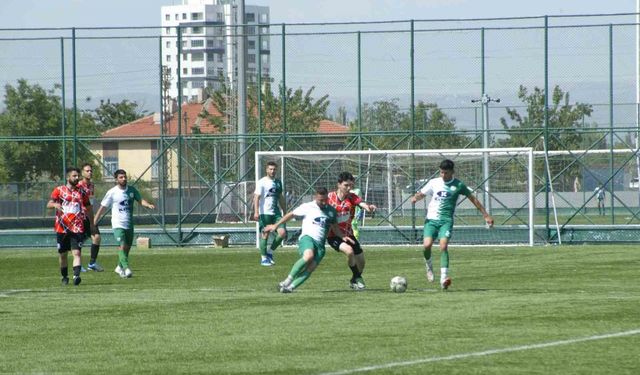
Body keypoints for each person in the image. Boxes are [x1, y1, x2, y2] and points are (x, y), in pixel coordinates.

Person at [411, 159, 493, 290]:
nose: (443, 175)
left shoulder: (459, 185)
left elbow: (473, 199)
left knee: (443, 246)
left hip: (446, 221)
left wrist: (486, 215)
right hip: (431, 220)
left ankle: (444, 278)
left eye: (446, 173)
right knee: (427, 245)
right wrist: (416, 198)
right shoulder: (434, 182)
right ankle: (429, 265)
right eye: (441, 172)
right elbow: (422, 193)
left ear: (452, 172)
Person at [265, 187, 352, 293]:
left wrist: (342, 236)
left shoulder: (331, 211)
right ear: (315, 197)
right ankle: (286, 281)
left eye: (326, 200)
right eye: (321, 200)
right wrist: (276, 225)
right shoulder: (308, 206)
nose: (324, 202)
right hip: (307, 238)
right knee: (308, 256)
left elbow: (335, 227)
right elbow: (291, 214)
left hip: (320, 245)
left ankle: (290, 287)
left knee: (310, 268)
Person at [94, 169, 155, 278]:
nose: (124, 179)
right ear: (116, 179)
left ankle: (118, 267)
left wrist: (148, 204)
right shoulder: (112, 192)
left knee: (127, 247)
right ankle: (126, 269)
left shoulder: (131, 190)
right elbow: (102, 207)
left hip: (129, 224)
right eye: (121, 177)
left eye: (125, 177)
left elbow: (140, 200)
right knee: (122, 245)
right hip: (118, 224)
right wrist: (94, 221)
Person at [327, 172, 376, 290]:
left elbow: (362, 204)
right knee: (349, 251)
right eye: (346, 185)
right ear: (338, 184)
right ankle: (358, 279)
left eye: (351, 185)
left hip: (348, 234)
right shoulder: (329, 198)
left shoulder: (352, 197)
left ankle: (354, 279)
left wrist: (369, 208)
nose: (349, 188)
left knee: (361, 261)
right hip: (333, 235)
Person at [47, 167, 95, 286]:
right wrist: (55, 205)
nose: (77, 178)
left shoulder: (82, 192)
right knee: (63, 255)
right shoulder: (59, 190)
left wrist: (92, 223)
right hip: (62, 227)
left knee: (77, 253)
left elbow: (88, 207)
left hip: (77, 227)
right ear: (68, 177)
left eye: (78, 176)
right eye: (74, 176)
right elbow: (49, 204)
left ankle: (76, 276)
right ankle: (64, 277)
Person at [253, 161, 287, 266]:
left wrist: (285, 211)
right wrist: (256, 212)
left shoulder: (278, 182)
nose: (272, 171)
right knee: (265, 234)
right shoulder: (261, 182)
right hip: (264, 213)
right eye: (270, 169)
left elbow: (280, 197)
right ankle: (263, 258)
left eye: (274, 169)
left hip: (276, 213)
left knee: (282, 233)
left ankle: (270, 253)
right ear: (267, 170)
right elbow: (256, 197)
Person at [77, 162, 103, 272]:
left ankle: (92, 263)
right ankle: (78, 265)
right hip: (80, 217)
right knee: (79, 241)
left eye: (91, 171)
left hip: (89, 216)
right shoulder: (78, 186)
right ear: (82, 173)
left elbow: (90, 202)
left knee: (96, 237)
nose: (90, 172)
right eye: (87, 171)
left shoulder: (92, 185)